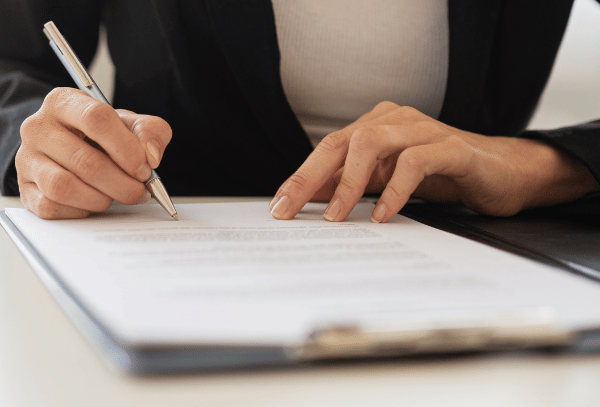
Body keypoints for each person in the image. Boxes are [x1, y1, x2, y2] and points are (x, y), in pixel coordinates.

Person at [0, 0, 599, 222]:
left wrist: (539, 164)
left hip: (482, 261)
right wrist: (50, 142)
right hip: (157, 238)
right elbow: (12, 61)